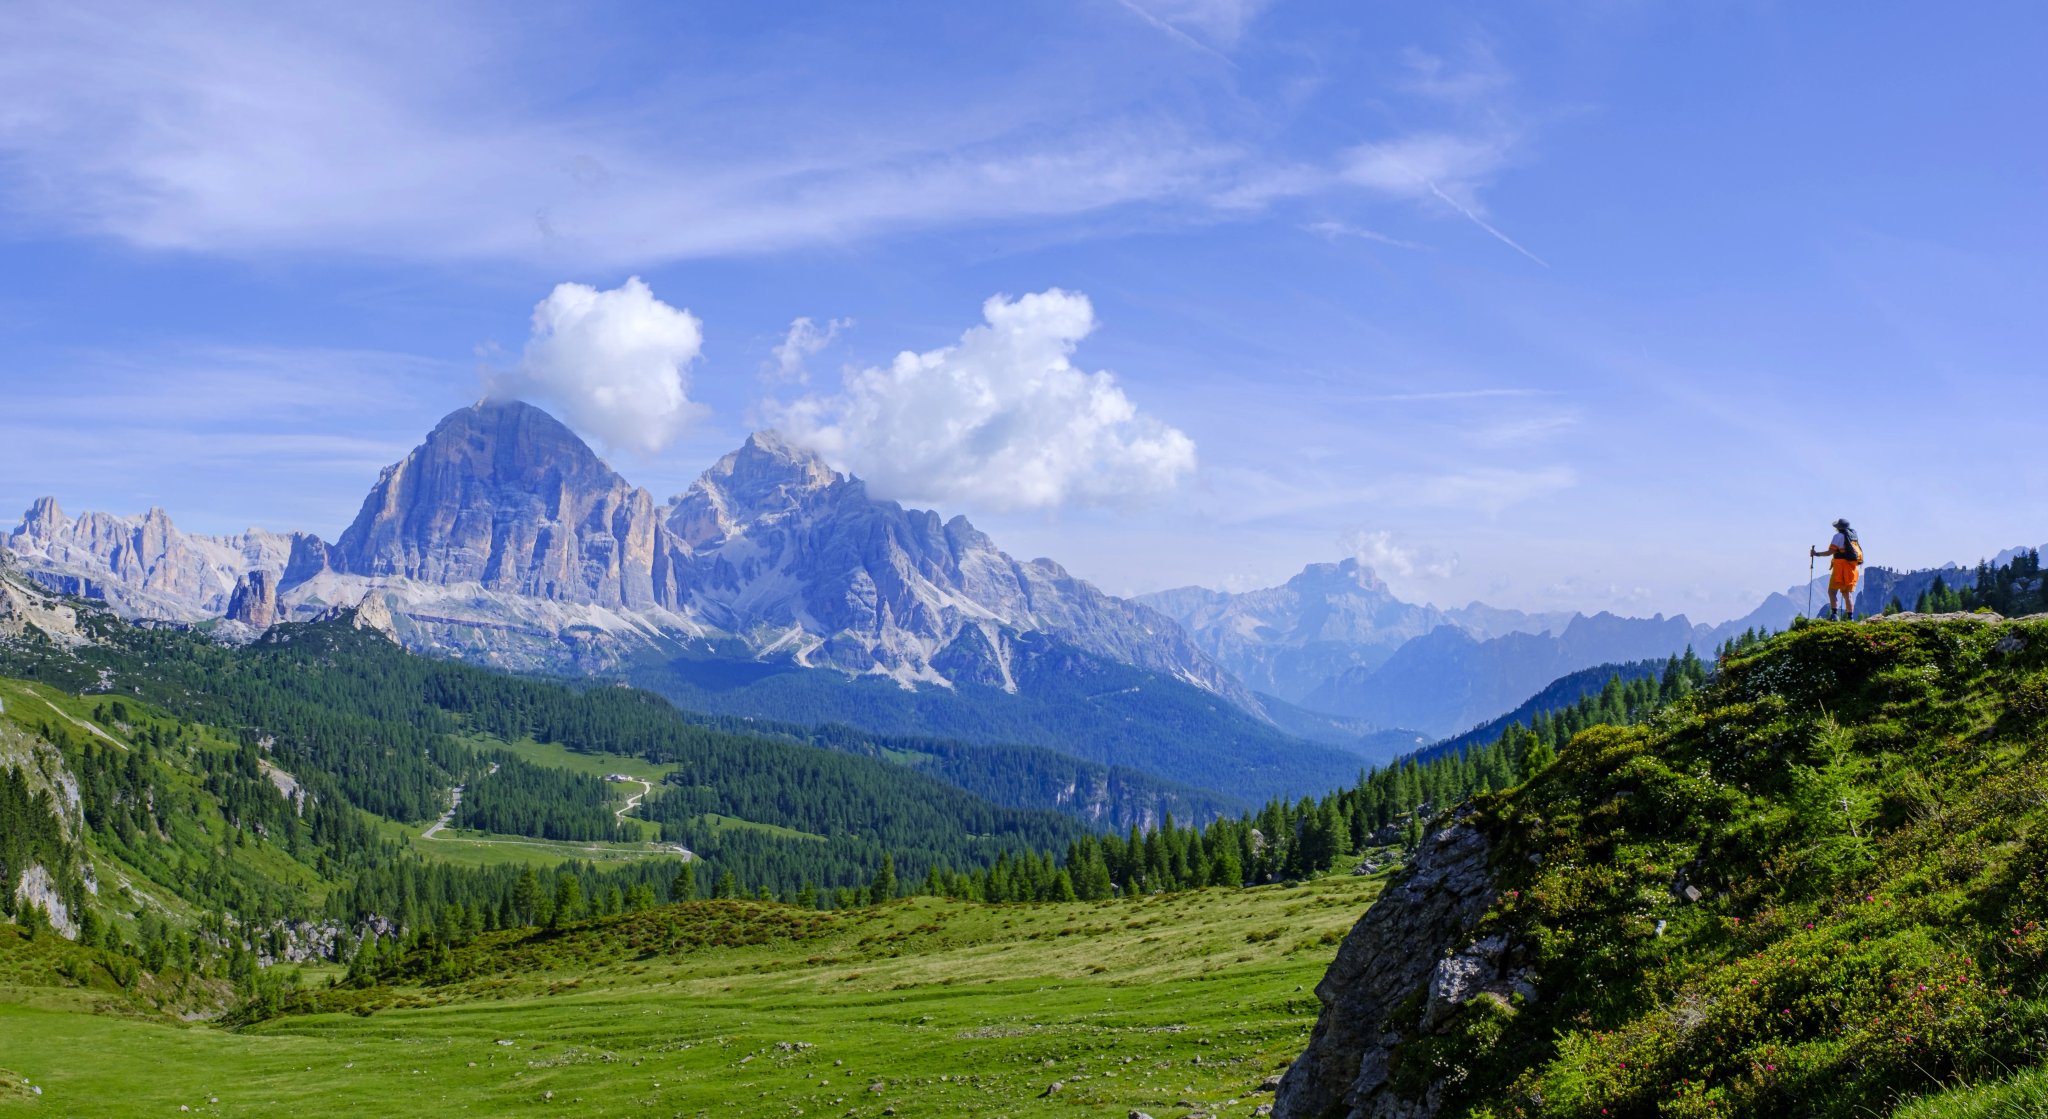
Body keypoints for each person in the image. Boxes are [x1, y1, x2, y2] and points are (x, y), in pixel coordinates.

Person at [1811, 518, 1863, 620]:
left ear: (1838, 528)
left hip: (1840, 568)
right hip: (1852, 569)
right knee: (1847, 593)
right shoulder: (1853, 537)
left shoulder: (1838, 536)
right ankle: (1850, 618)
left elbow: (1830, 552)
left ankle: (1834, 615)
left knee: (1832, 591)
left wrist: (1816, 554)